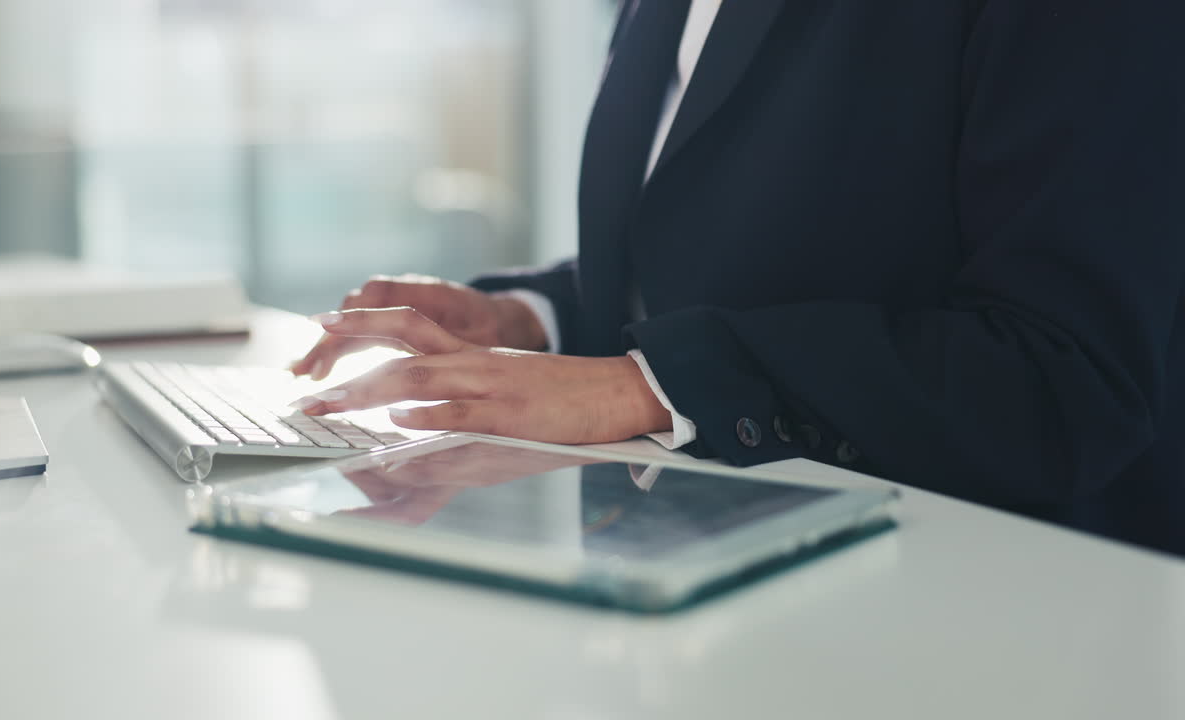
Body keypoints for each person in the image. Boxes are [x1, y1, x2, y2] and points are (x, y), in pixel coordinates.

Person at [291, 1, 1185, 556]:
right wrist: (530, 320)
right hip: (710, 572)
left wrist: (647, 386)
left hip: (991, 606)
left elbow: (1064, 374)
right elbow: (725, 261)